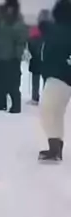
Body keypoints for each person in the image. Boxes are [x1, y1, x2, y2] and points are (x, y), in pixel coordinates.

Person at [38, 0, 71, 161]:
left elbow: (45, 28)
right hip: (62, 76)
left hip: (57, 75)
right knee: (56, 112)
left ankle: (55, 148)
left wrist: (43, 20)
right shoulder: (60, 29)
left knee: (49, 110)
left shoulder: (58, 30)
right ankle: (56, 147)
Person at [0, 0, 27, 113]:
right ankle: (1, 102)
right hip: (1, 56)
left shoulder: (18, 24)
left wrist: (17, 55)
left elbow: (21, 42)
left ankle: (16, 105)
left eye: (11, 8)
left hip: (12, 59)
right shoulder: (3, 22)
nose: (9, 11)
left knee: (13, 83)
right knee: (0, 82)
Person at [27, 9, 52, 105]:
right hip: (48, 58)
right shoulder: (53, 29)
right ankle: (46, 99)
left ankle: (35, 98)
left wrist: (33, 53)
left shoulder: (35, 28)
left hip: (36, 57)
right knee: (47, 79)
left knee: (35, 78)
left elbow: (30, 43)